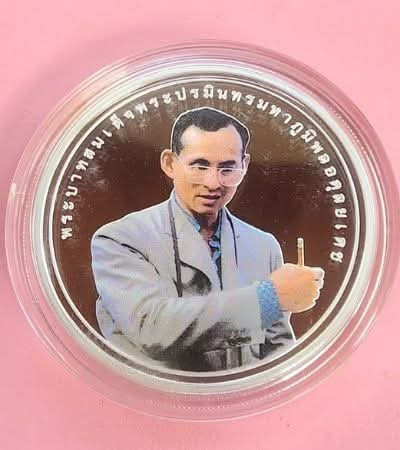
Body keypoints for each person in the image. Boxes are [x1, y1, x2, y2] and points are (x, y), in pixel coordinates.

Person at [91, 107, 324, 372]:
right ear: (169, 163)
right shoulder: (120, 239)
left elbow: (278, 353)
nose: (213, 183)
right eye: (199, 166)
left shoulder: (264, 245)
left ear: (244, 166)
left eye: (227, 168)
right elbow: (152, 329)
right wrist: (267, 298)